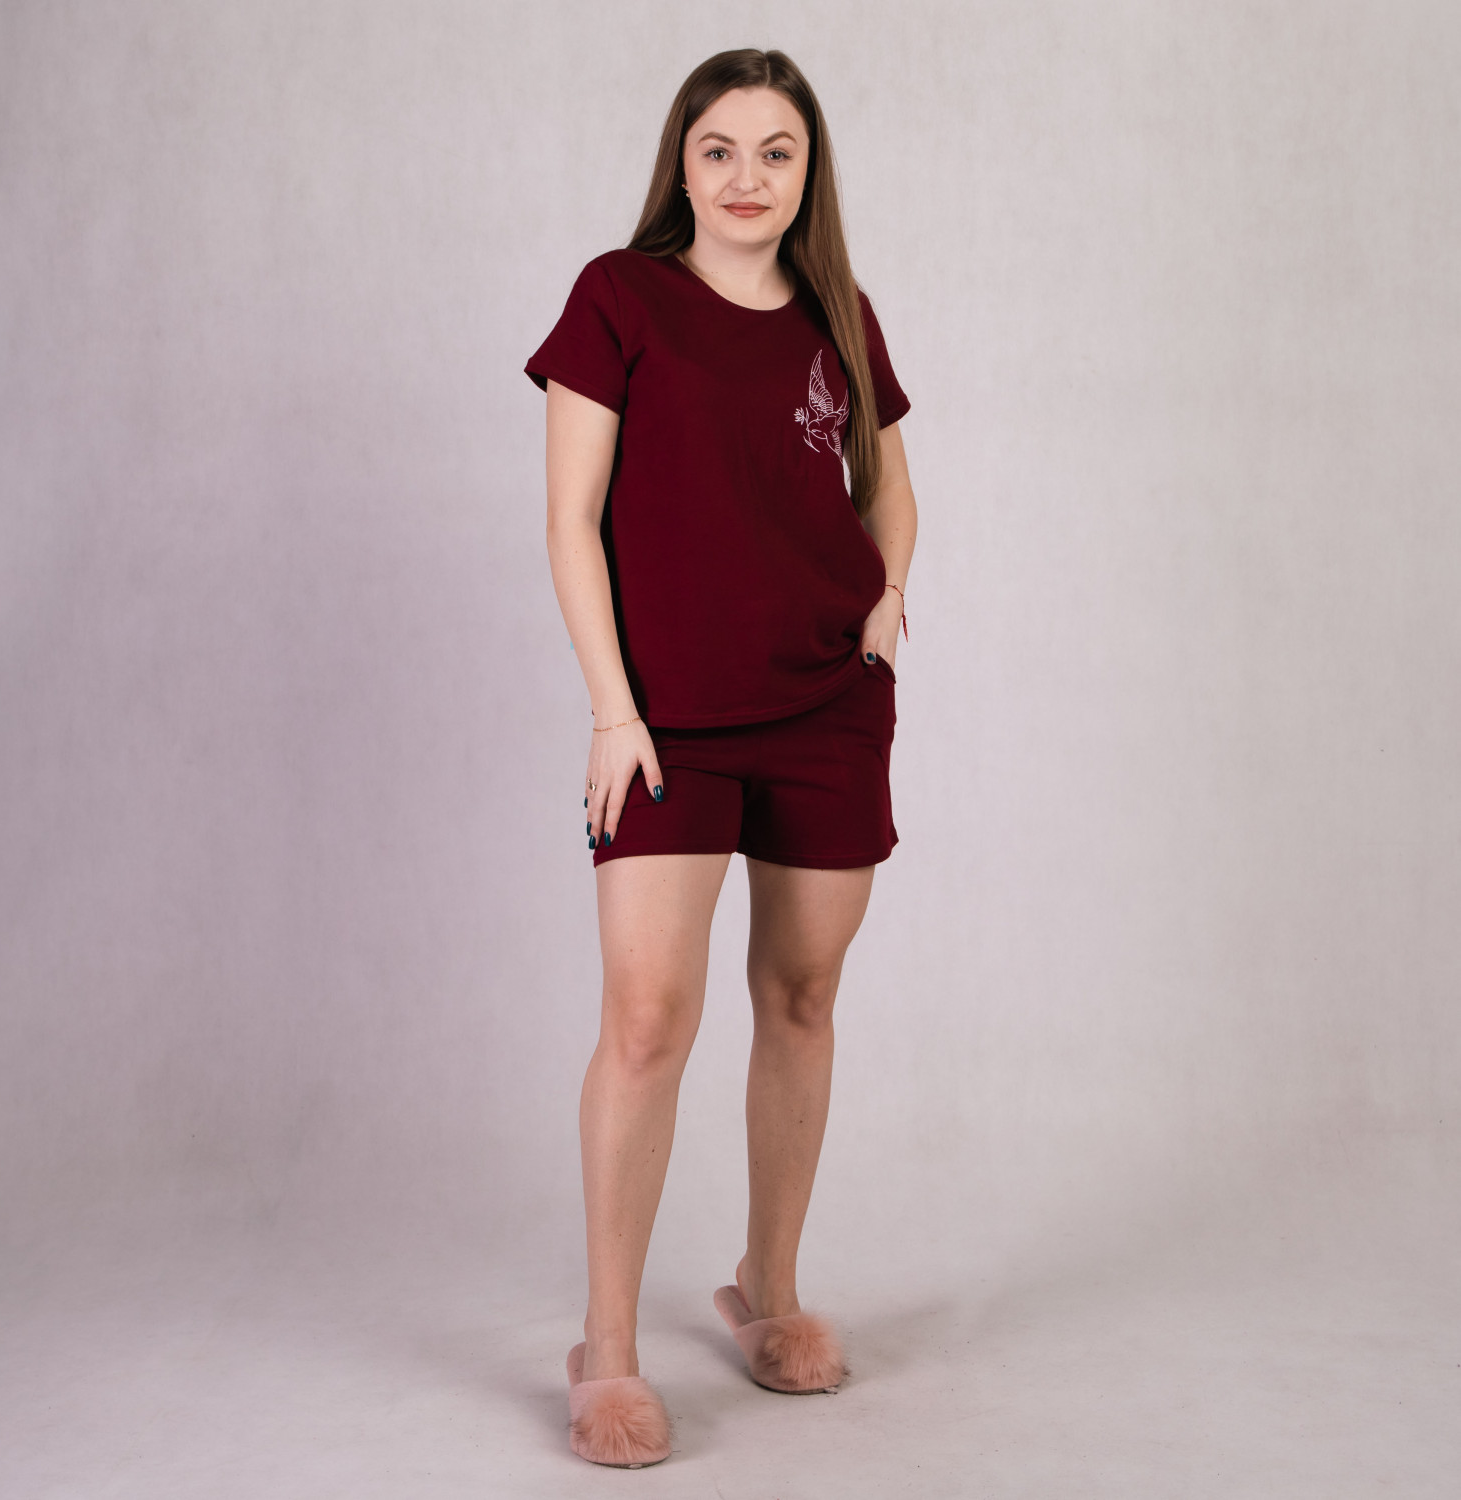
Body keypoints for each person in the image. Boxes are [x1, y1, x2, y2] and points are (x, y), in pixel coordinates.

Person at [524, 46, 918, 1469]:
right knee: (648, 1017)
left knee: (801, 995)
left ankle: (770, 1288)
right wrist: (613, 709)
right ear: (681, 167)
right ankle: (609, 1346)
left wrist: (884, 602)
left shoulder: (839, 314)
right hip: (666, 719)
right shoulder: (619, 298)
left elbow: (888, 481)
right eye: (719, 150)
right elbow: (571, 520)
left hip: (825, 707)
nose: (747, 177)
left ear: (809, 174)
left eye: (776, 152)